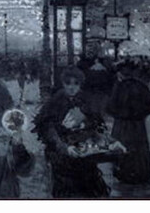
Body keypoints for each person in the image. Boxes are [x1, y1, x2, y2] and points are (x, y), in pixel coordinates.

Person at [34, 66, 111, 198]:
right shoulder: (55, 103)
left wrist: (88, 127)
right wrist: (63, 147)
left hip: (84, 152)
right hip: (62, 155)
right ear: (63, 83)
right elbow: (49, 129)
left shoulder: (85, 101)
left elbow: (96, 124)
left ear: (80, 84)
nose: (72, 87)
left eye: (76, 84)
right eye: (68, 83)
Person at [106, 61, 150, 184]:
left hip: (121, 124)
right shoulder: (141, 86)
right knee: (139, 148)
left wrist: (120, 115)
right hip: (138, 125)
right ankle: (141, 172)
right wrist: (140, 114)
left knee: (122, 147)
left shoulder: (118, 87)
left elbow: (110, 107)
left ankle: (124, 172)